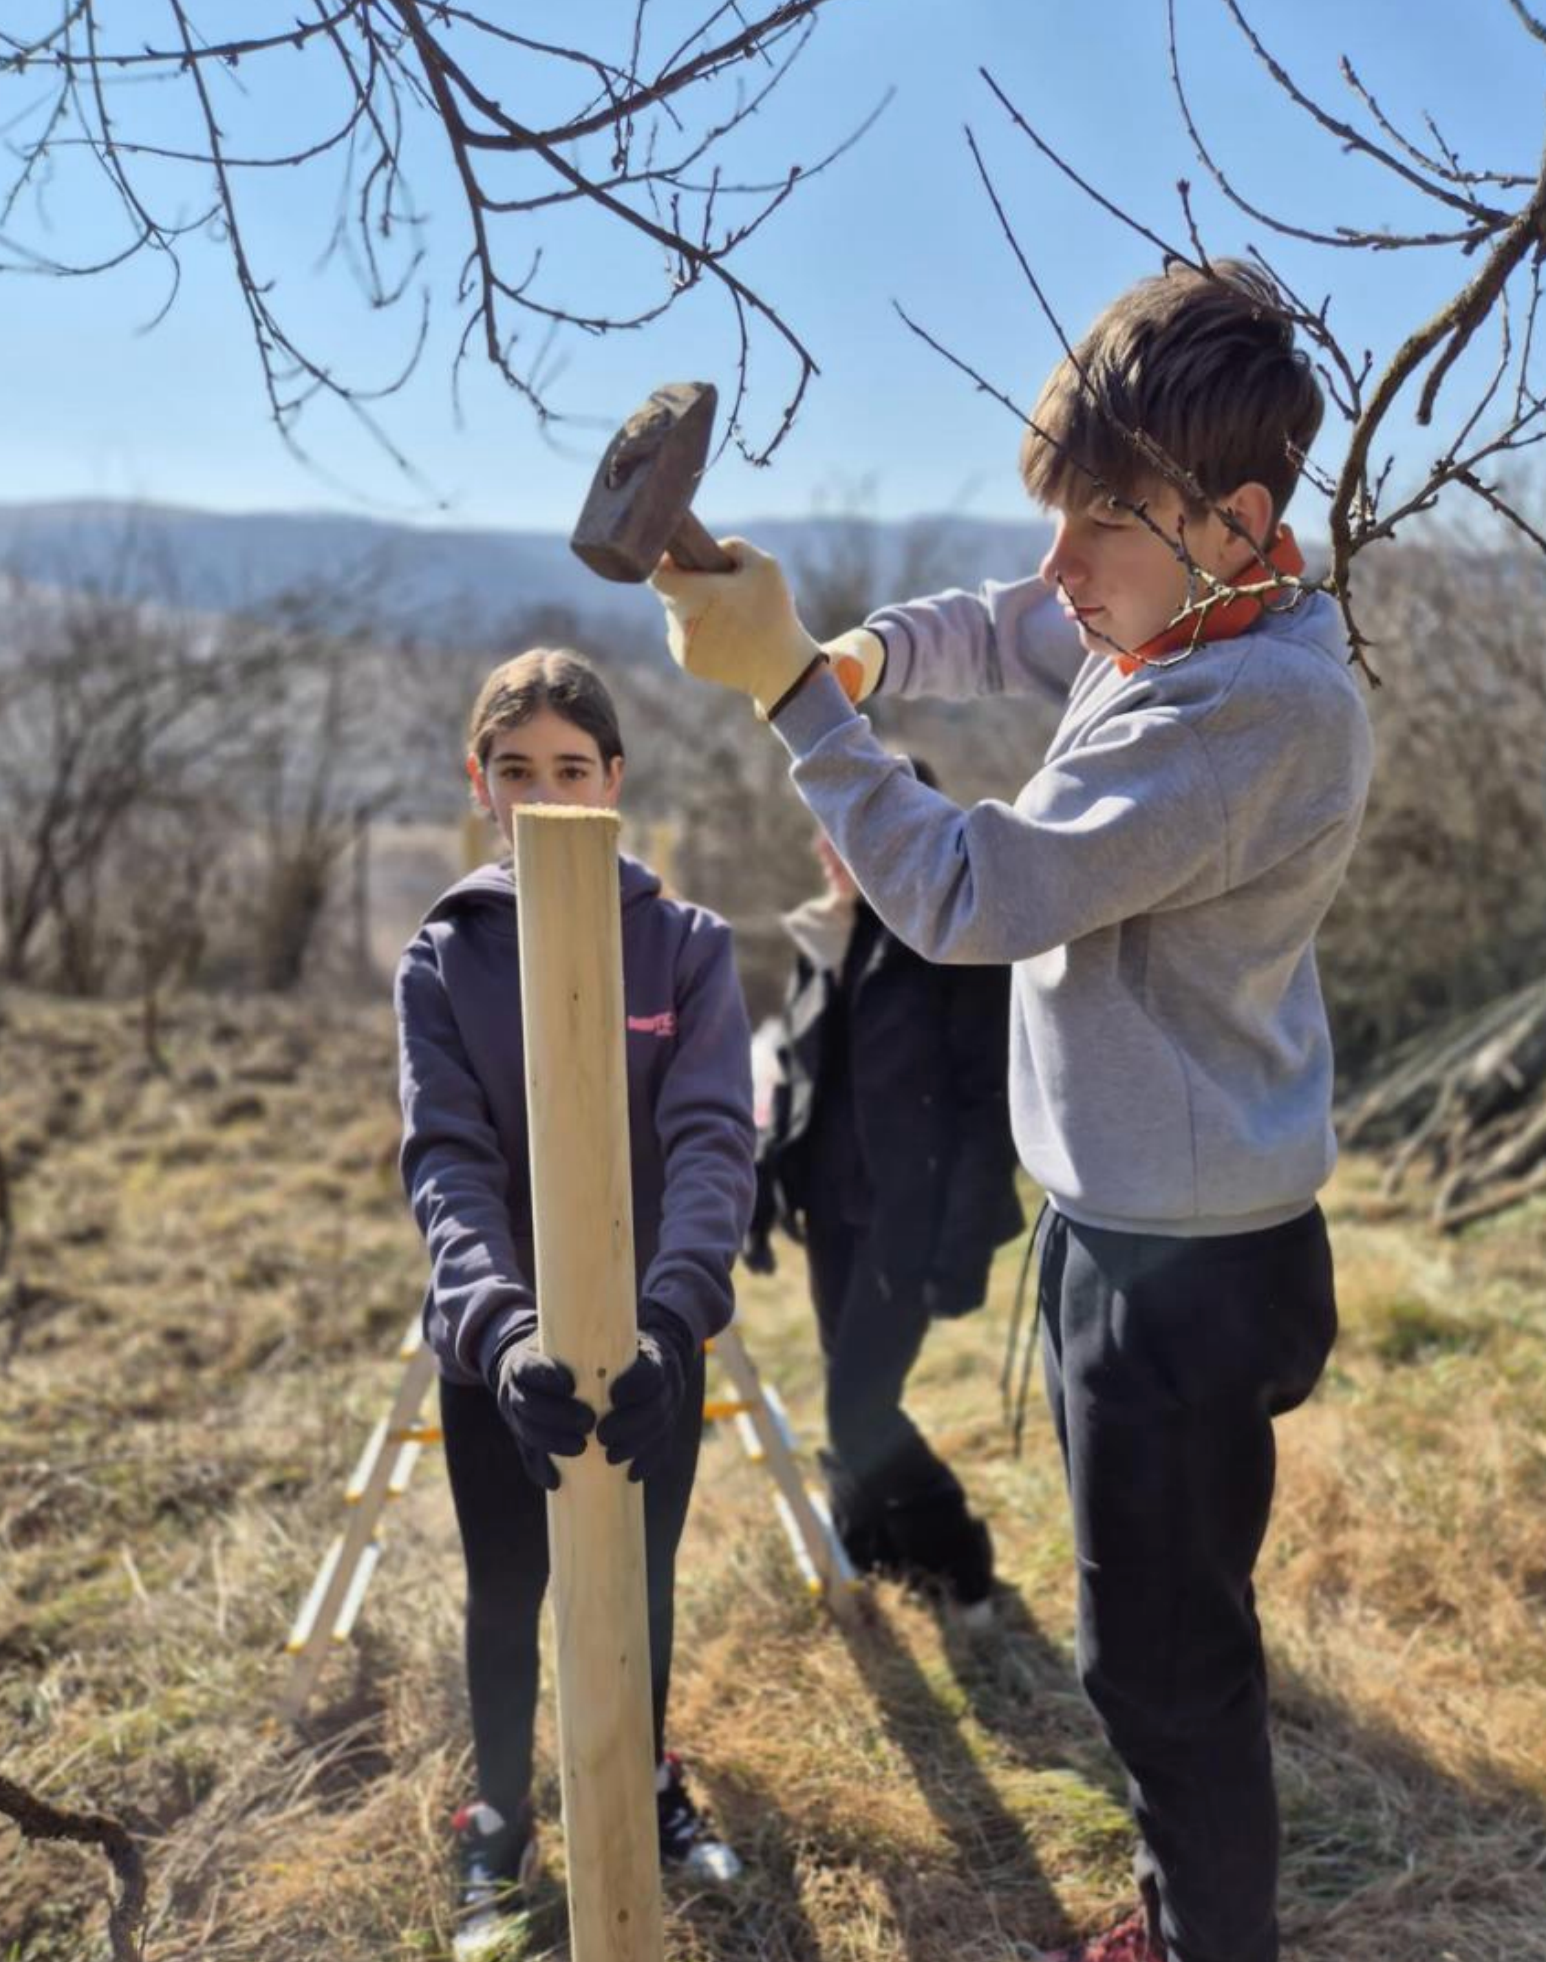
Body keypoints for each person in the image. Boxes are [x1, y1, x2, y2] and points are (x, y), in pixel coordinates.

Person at [648, 263, 1374, 1962]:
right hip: (1142, 1229)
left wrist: (792, 703)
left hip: (1187, 1278)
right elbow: (1011, 619)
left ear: (1233, 514)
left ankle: (1211, 1942)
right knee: (1161, 1627)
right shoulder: (1186, 604)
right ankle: (1184, 1904)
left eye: (1097, 525)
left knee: (1161, 1665)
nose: (1060, 569)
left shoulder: (1252, 709)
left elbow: (966, 891)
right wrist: (860, 649)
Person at [394, 648, 756, 1958]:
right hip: (504, 1360)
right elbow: (447, 1160)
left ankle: (644, 1785)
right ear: (477, 784)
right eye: (515, 770)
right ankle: (499, 1821)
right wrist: (499, 1334)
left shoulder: (687, 946)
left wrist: (669, 1317)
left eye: (569, 768)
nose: (542, 791)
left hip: (650, 1348)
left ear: (614, 779)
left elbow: (717, 1138)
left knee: (640, 1585)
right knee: (508, 1590)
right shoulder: (444, 957)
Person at [748, 762, 1022, 1617]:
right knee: (848, 1388)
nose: (824, 848)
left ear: (900, 839)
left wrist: (963, 1243)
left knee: (859, 1406)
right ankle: (871, 1554)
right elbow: (795, 1075)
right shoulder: (827, 934)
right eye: (825, 827)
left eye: (848, 828)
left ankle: (959, 1561)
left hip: (911, 1219)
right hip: (828, 1208)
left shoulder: (959, 944)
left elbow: (989, 1107)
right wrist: (761, 1181)